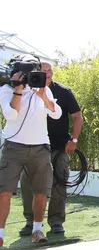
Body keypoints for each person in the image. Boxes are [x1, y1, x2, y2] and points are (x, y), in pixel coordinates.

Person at [0, 55, 62, 247]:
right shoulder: (6, 90)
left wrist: (43, 96)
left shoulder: (42, 89)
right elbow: (11, 114)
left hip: (40, 148)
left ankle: (37, 230)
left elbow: (56, 113)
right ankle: (0, 235)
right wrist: (18, 89)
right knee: (4, 192)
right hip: (14, 147)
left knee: (41, 192)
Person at [19, 62, 83, 236]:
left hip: (59, 147)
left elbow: (78, 117)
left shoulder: (63, 91)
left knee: (59, 182)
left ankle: (56, 221)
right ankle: (30, 222)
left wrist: (74, 139)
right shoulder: (26, 91)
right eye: (43, 71)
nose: (47, 73)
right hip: (33, 146)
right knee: (27, 184)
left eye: (49, 70)